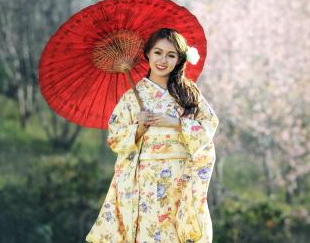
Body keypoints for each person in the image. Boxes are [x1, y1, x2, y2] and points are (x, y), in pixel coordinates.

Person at [85, 28, 219, 243]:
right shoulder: (131, 98)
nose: (163, 60)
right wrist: (138, 129)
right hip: (145, 179)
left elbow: (209, 124)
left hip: (180, 178)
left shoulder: (188, 93)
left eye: (171, 55)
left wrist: (176, 123)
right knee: (148, 232)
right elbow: (115, 137)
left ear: (179, 60)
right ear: (147, 54)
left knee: (177, 233)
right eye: (158, 52)